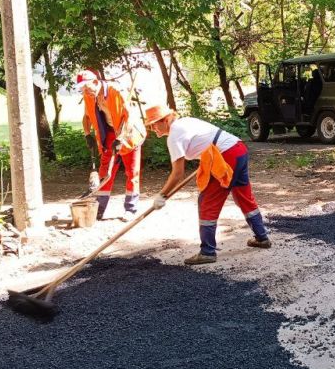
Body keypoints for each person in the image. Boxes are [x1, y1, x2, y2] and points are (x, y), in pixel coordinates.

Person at [144, 105, 271, 265]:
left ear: (166, 120)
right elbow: (204, 144)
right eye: (150, 126)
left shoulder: (174, 135)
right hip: (238, 150)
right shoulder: (185, 122)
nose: (152, 129)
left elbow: (177, 173)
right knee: (243, 197)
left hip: (226, 156)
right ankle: (262, 237)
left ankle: (207, 252)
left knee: (207, 201)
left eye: (154, 124)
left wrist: (162, 195)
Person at [77, 70, 146, 221]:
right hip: (109, 133)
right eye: (82, 89)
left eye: (87, 87)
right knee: (105, 171)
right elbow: (87, 117)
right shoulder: (89, 96)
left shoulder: (116, 91)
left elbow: (130, 118)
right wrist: (87, 134)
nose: (86, 92)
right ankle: (99, 208)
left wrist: (121, 138)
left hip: (129, 133)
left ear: (96, 82)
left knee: (132, 172)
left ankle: (131, 209)